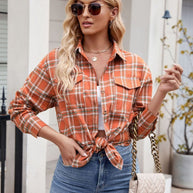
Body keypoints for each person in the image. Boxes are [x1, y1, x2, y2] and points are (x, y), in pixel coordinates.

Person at [9, 0, 183, 192]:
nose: (85, 14)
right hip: (73, 175)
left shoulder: (135, 65)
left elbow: (139, 132)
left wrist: (161, 92)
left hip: (121, 174)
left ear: (113, 12)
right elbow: (18, 109)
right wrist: (59, 140)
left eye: (94, 7)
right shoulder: (57, 62)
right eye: (78, 8)